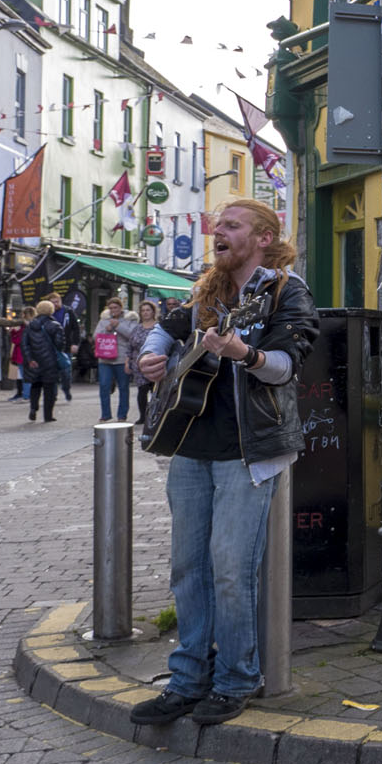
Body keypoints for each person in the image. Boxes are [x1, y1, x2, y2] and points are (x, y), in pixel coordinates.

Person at [131, 200, 317, 727]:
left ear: (263, 237)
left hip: (247, 451)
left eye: (231, 226)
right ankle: (188, 679)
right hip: (190, 443)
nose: (219, 233)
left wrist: (245, 353)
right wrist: (152, 356)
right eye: (217, 226)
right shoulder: (207, 290)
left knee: (232, 570)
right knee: (189, 569)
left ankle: (237, 678)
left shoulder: (283, 291)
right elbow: (166, 328)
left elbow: (284, 368)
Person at [93, 298, 140, 423]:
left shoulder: (130, 319)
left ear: (121, 307)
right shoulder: (104, 320)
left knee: (123, 387)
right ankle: (105, 414)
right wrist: (106, 329)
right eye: (111, 308)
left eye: (116, 308)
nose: (113, 310)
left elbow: (132, 335)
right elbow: (95, 336)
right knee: (104, 386)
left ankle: (122, 415)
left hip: (121, 358)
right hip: (105, 359)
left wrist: (118, 326)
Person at [20, 301, 64, 423]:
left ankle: (33, 408)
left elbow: (24, 344)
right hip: (50, 361)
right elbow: (60, 345)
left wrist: (29, 359)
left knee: (35, 385)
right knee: (49, 388)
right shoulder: (55, 325)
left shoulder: (30, 326)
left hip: (34, 361)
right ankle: (48, 415)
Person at [130, 300, 161, 423]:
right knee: (142, 391)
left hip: (155, 362)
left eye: (148, 310)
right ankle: (143, 416)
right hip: (139, 364)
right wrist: (128, 360)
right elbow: (130, 346)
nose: (145, 313)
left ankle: (156, 414)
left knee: (156, 391)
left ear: (153, 312)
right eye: (143, 310)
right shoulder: (137, 328)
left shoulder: (159, 327)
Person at [47, 292, 81, 402]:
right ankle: (53, 394)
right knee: (52, 372)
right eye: (53, 302)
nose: (56, 304)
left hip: (66, 346)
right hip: (51, 347)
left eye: (57, 301)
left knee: (66, 371)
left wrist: (75, 343)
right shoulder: (47, 314)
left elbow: (76, 328)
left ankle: (66, 389)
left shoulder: (68, 311)